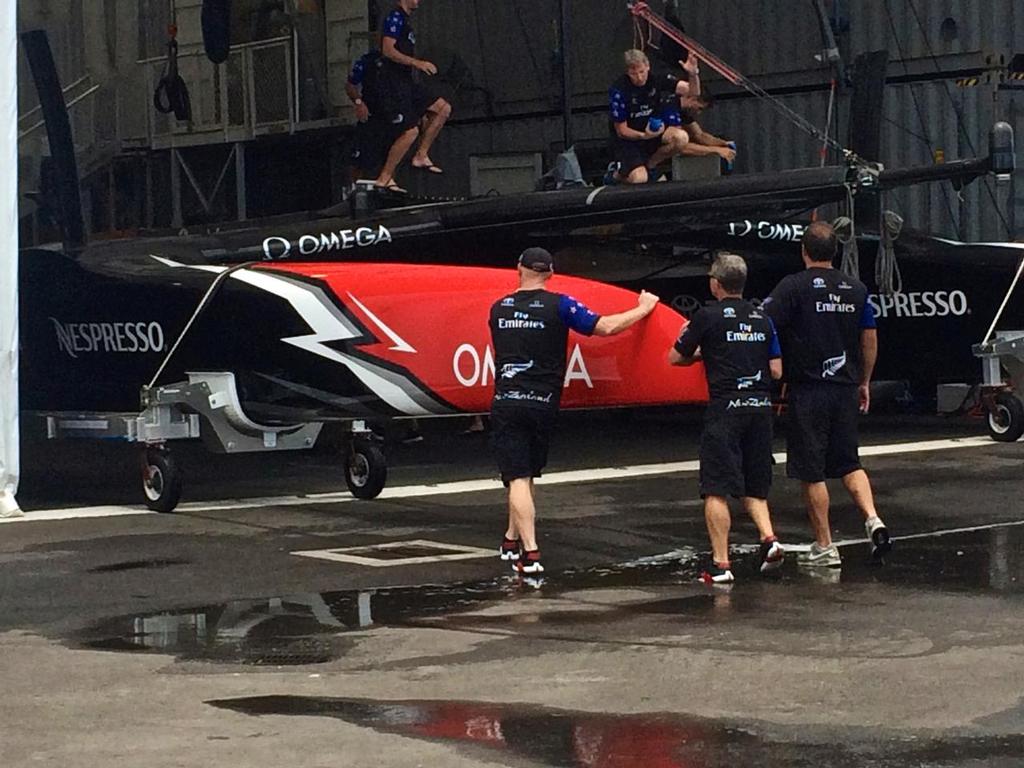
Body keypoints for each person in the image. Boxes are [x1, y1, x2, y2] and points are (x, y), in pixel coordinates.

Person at [490, 247, 660, 575]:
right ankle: (511, 540)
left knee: (518, 477)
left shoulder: (498, 308)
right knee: (525, 475)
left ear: (518, 268)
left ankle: (532, 554)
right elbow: (606, 327)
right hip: (543, 402)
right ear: (551, 273)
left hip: (508, 401)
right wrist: (643, 308)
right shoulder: (561, 305)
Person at [762, 221, 893, 567]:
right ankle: (873, 518)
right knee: (850, 462)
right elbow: (870, 338)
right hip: (846, 389)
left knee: (812, 470)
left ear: (804, 251)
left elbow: (764, 321)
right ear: (836, 252)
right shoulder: (856, 288)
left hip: (809, 389)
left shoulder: (793, 287)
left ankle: (825, 545)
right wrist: (864, 381)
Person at [669, 253, 785, 584]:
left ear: (714, 284)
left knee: (716, 487)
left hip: (726, 408)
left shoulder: (706, 317)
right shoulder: (764, 319)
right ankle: (769, 538)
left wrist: (706, 353)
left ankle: (721, 564)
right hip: (760, 408)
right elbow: (776, 370)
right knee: (754, 483)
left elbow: (675, 357)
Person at [375, 0, 452, 190]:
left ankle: (421, 155)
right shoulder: (395, 17)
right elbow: (388, 50)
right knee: (410, 131)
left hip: (407, 82)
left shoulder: (406, 21)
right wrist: (417, 63)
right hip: (392, 84)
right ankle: (384, 178)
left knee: (443, 108)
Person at [608, 49, 692, 184]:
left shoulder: (657, 78)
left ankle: (651, 166)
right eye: (633, 74)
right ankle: (616, 175)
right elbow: (621, 131)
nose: (639, 77)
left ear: (648, 66)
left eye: (642, 72)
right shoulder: (619, 90)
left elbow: (693, 92)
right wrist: (643, 135)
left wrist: (693, 74)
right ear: (627, 73)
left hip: (654, 130)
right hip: (630, 139)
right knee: (640, 179)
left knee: (681, 138)